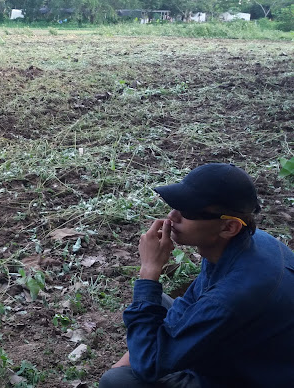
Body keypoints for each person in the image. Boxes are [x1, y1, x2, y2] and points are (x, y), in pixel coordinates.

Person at [99, 163, 294, 388]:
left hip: (247, 377)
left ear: (229, 227)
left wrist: (149, 271)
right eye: (175, 205)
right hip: (242, 349)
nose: (172, 217)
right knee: (156, 302)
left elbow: (149, 366)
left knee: (117, 382)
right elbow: (191, 303)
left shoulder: (231, 297)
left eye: (188, 212)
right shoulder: (244, 243)